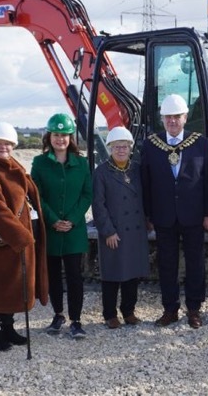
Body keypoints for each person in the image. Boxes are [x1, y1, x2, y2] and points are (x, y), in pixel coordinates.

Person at [0, 122, 49, 352]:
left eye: (7, 144)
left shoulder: (11, 164)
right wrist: (21, 235)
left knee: (14, 286)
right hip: (2, 241)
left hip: (15, 240)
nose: (3, 147)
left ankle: (8, 327)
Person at [141, 94, 208, 329]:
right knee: (167, 264)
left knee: (195, 263)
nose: (172, 121)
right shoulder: (151, 144)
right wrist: (148, 215)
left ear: (185, 118)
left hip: (193, 215)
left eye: (177, 116)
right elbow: (146, 182)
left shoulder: (200, 143)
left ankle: (194, 310)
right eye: (168, 117)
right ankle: (170, 309)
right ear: (162, 119)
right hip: (163, 216)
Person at [30, 113, 92, 339]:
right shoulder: (39, 163)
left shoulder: (82, 163)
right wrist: (53, 219)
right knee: (54, 275)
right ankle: (58, 314)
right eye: (56, 135)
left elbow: (87, 194)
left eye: (64, 135)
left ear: (70, 137)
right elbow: (36, 195)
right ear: (49, 136)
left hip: (74, 231)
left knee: (75, 276)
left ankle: (76, 319)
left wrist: (73, 219)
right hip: (52, 230)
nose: (60, 139)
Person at [92, 127, 151, 329]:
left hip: (135, 231)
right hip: (114, 231)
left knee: (132, 275)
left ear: (130, 148)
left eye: (125, 146)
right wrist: (107, 231)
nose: (121, 150)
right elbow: (98, 205)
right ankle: (110, 314)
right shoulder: (101, 172)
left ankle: (129, 312)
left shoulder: (136, 169)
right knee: (112, 275)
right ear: (109, 148)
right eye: (117, 147)